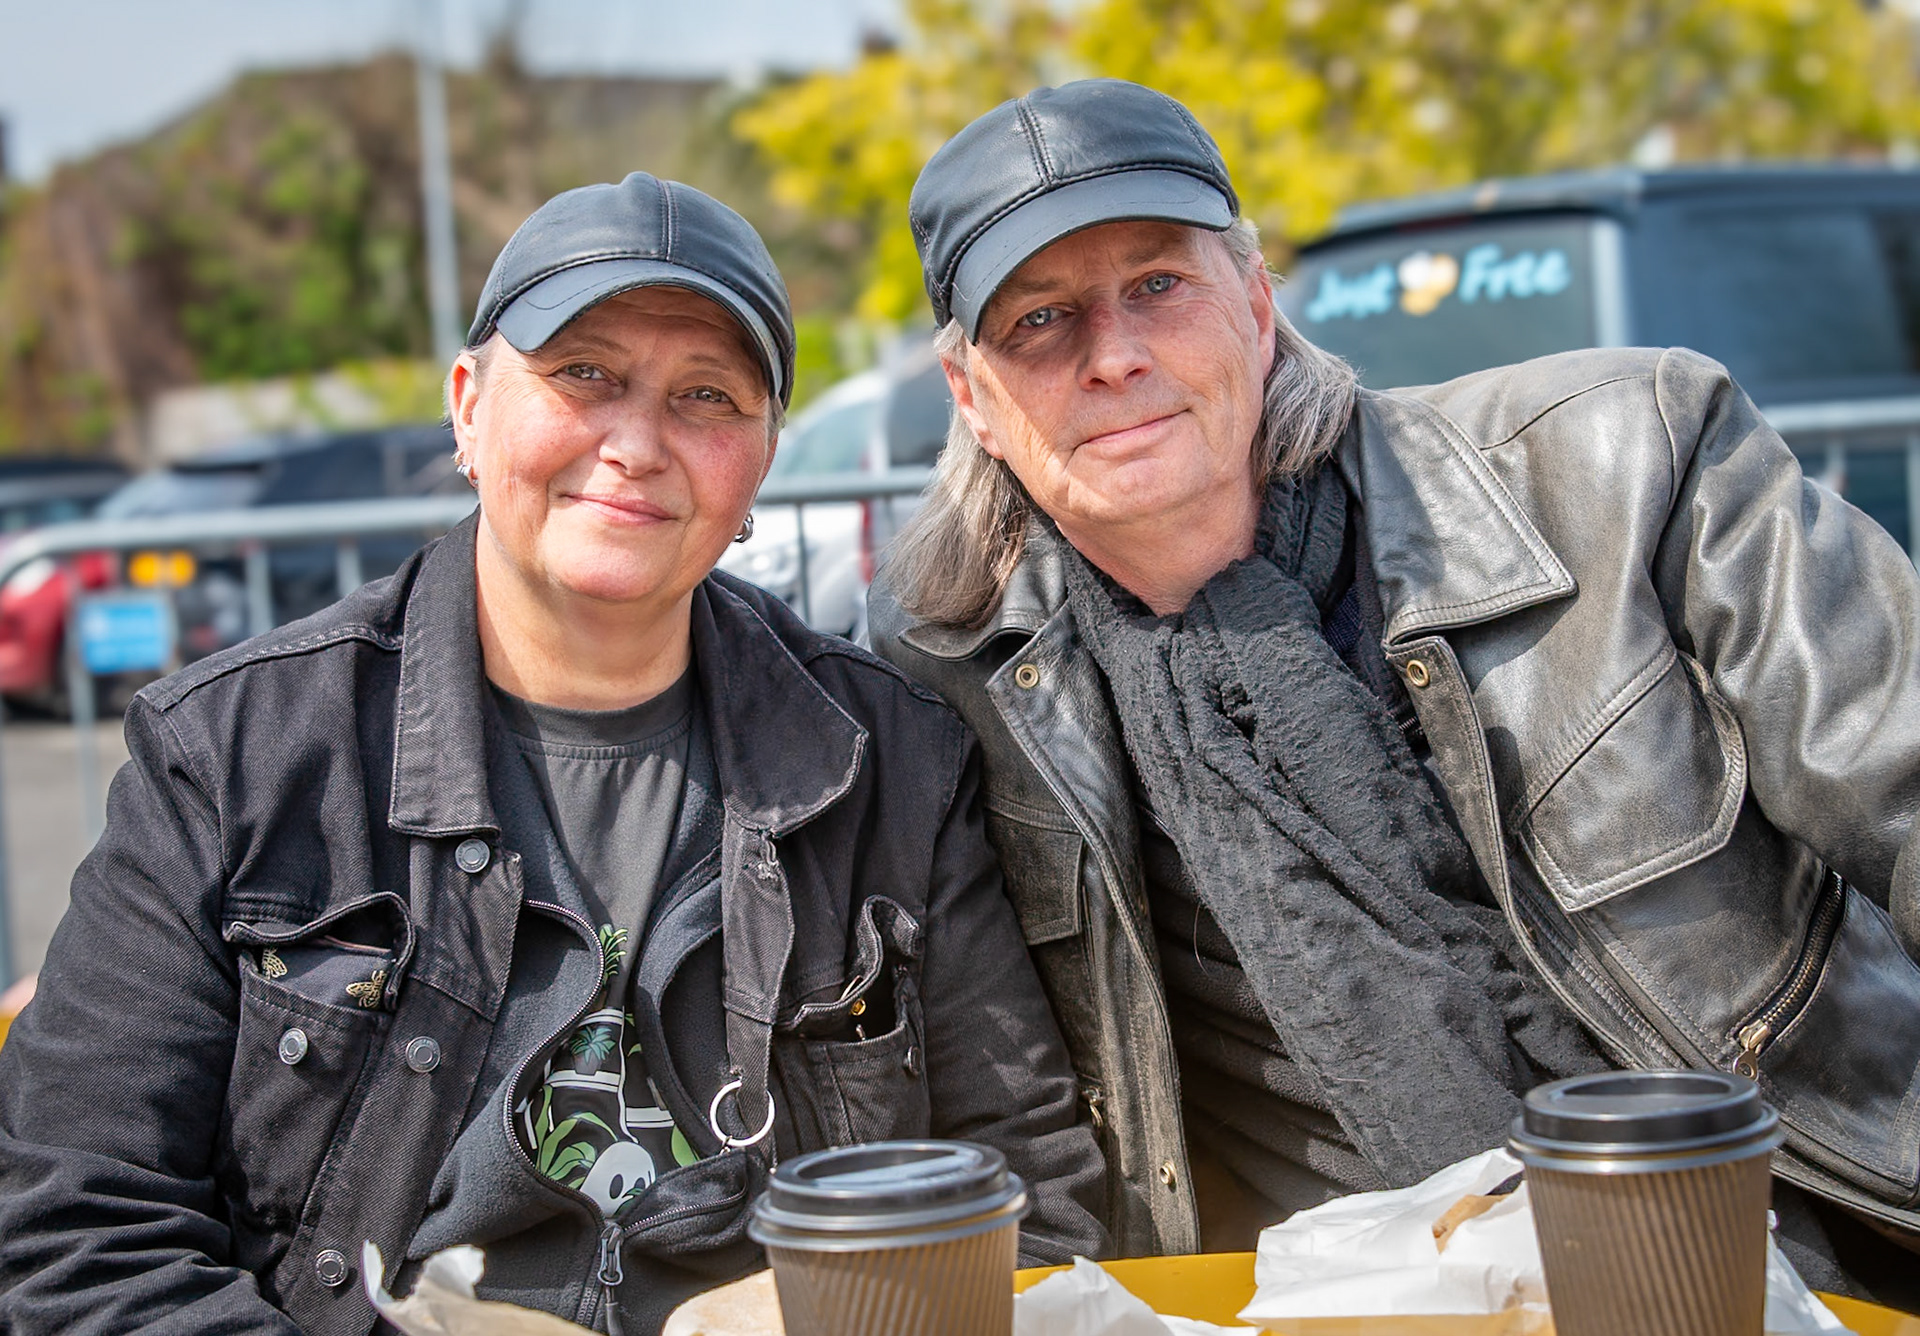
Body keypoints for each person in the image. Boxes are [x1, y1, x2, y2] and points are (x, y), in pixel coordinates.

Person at [868, 78, 1920, 1302]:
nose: (1114, 356)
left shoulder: (1635, 458)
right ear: (974, 398)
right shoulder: (953, 674)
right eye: (1039, 320)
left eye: (1157, 284)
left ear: (1257, 305)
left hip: (1795, 1237)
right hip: (1347, 1297)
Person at [0, 172, 1105, 1336]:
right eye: (584, 374)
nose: (637, 443)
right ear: (468, 408)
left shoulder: (890, 760)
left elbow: (1028, 1197)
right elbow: (80, 1228)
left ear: (763, 457)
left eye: (706, 395)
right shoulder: (234, 752)